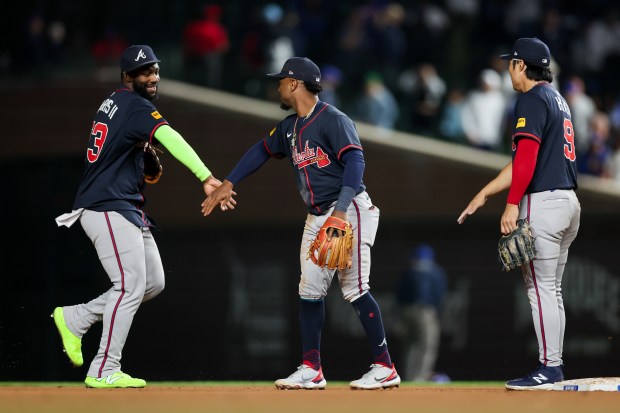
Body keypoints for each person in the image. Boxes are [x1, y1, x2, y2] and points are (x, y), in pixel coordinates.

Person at [201, 57, 401, 390]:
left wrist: (339, 211)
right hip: (318, 214)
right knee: (309, 290)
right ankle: (312, 368)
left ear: (294, 83)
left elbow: (355, 161)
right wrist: (230, 181)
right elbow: (261, 150)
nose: (277, 85)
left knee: (354, 288)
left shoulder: (333, 119)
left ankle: (385, 367)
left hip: (349, 208)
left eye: (281, 80)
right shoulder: (289, 127)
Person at [53, 45, 234, 388]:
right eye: (144, 72)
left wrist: (138, 154)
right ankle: (104, 368)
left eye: (154, 70)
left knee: (151, 282)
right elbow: (170, 136)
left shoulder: (114, 102)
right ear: (127, 76)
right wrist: (206, 176)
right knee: (130, 284)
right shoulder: (135, 105)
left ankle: (76, 317)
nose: (152, 78)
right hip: (107, 205)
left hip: (123, 205)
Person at [457, 38, 581, 391]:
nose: (507, 67)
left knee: (539, 288)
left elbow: (526, 158)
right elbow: (524, 160)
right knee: (551, 289)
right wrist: (485, 192)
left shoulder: (529, 99)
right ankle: (553, 364)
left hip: (543, 203)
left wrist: (511, 204)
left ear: (520, 65)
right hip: (568, 202)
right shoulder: (557, 100)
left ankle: (550, 367)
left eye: (510, 62)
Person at [394, 244, 447, 382]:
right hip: (425, 312)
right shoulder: (435, 271)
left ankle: (409, 377)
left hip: (406, 311)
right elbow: (439, 295)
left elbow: (399, 295)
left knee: (411, 346)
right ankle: (420, 377)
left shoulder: (408, 272)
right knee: (427, 345)